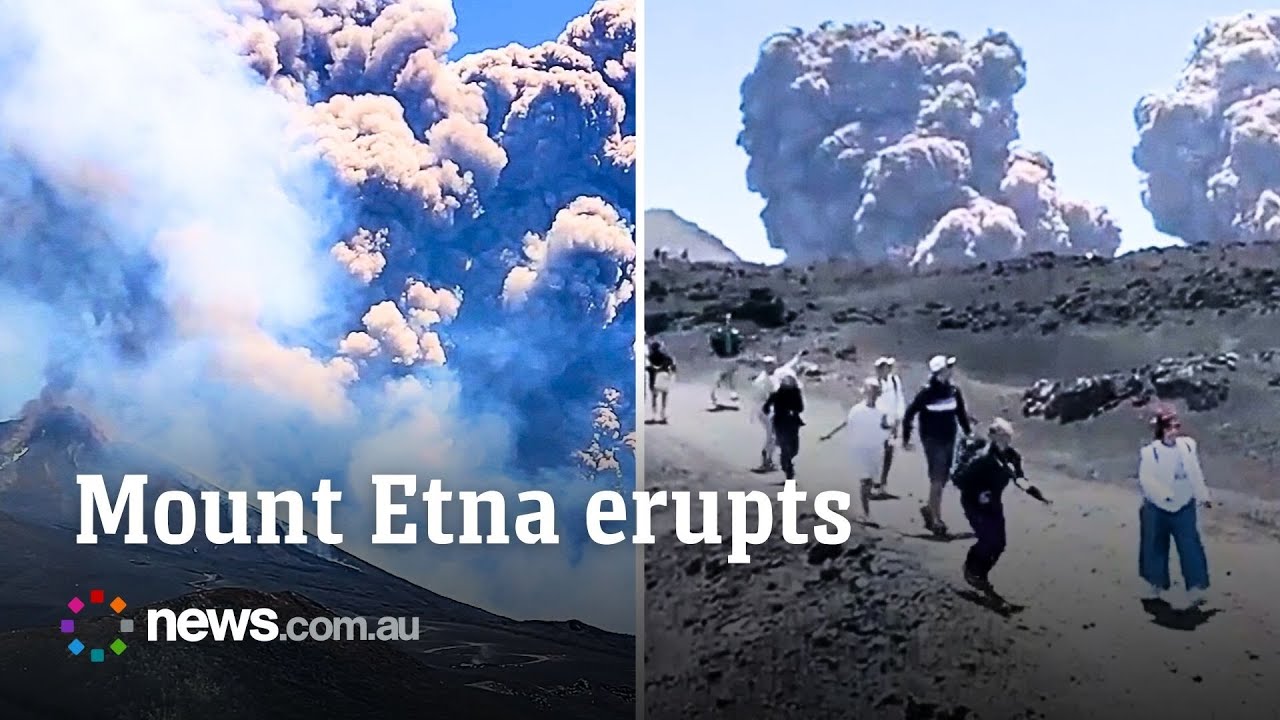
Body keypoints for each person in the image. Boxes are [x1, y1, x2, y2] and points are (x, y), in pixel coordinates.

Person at [952, 418, 1051, 598]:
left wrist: (1036, 494)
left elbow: (1019, 478)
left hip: (994, 503)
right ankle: (971, 570)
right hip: (974, 502)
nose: (1006, 439)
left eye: (1008, 435)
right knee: (987, 539)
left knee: (999, 543)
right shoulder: (982, 457)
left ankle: (980, 574)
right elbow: (961, 480)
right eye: (1002, 435)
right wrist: (978, 492)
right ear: (993, 436)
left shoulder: (1012, 456)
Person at [1137, 406, 1212, 609]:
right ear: (1161, 429)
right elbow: (1146, 479)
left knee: (1190, 545)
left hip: (1184, 502)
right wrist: (1164, 495)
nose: (1174, 431)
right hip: (1157, 505)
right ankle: (1155, 585)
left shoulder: (1187, 446)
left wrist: (1202, 494)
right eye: (1170, 427)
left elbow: (1194, 471)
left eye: (1176, 426)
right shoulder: (1150, 452)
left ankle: (1196, 587)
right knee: (1155, 545)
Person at [903, 354, 973, 537]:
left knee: (943, 477)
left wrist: (969, 433)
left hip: (949, 437)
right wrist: (906, 438)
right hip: (931, 439)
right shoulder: (926, 393)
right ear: (939, 372)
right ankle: (936, 520)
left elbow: (960, 413)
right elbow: (909, 414)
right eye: (948, 367)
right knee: (937, 477)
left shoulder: (954, 391)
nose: (951, 370)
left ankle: (929, 509)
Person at [820, 377, 893, 526]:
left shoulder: (882, 411)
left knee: (870, 480)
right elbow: (846, 423)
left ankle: (864, 511)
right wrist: (830, 434)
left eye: (875, 390)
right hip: (860, 449)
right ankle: (865, 513)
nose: (873, 393)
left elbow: (886, 427)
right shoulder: (857, 410)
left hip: (875, 448)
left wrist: (892, 435)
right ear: (865, 392)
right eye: (870, 390)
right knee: (865, 480)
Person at [749, 349, 807, 471]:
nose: (769, 366)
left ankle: (769, 461)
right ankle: (765, 462)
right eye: (767, 364)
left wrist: (799, 355)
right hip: (765, 411)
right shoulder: (762, 380)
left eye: (771, 363)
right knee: (772, 436)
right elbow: (762, 398)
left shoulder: (778, 372)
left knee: (775, 437)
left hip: (772, 409)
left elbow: (791, 364)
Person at [762, 373, 805, 480]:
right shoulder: (777, 395)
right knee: (787, 448)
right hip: (781, 424)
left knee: (793, 450)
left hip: (791, 424)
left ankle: (786, 462)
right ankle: (788, 469)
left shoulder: (795, 394)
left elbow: (800, 408)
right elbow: (766, 407)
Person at [874, 356, 907, 493]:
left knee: (889, 452)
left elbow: (899, 399)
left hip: (892, 422)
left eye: (887, 367)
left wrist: (899, 418)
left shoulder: (895, 381)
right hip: (878, 422)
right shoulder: (875, 384)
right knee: (875, 452)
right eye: (882, 367)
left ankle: (883, 482)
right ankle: (872, 479)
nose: (885, 369)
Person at [708, 313, 743, 407]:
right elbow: (712, 341)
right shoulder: (718, 332)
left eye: (729, 320)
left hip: (733, 356)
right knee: (720, 376)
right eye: (726, 321)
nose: (728, 322)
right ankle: (713, 393)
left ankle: (733, 392)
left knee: (732, 375)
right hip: (722, 357)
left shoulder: (734, 332)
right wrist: (713, 350)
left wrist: (739, 348)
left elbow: (740, 341)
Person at [646, 340, 676, 424]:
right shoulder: (665, 356)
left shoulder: (650, 357)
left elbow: (647, 368)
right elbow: (672, 365)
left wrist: (653, 368)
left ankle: (654, 415)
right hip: (664, 378)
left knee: (654, 397)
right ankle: (663, 414)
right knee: (664, 397)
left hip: (653, 379)